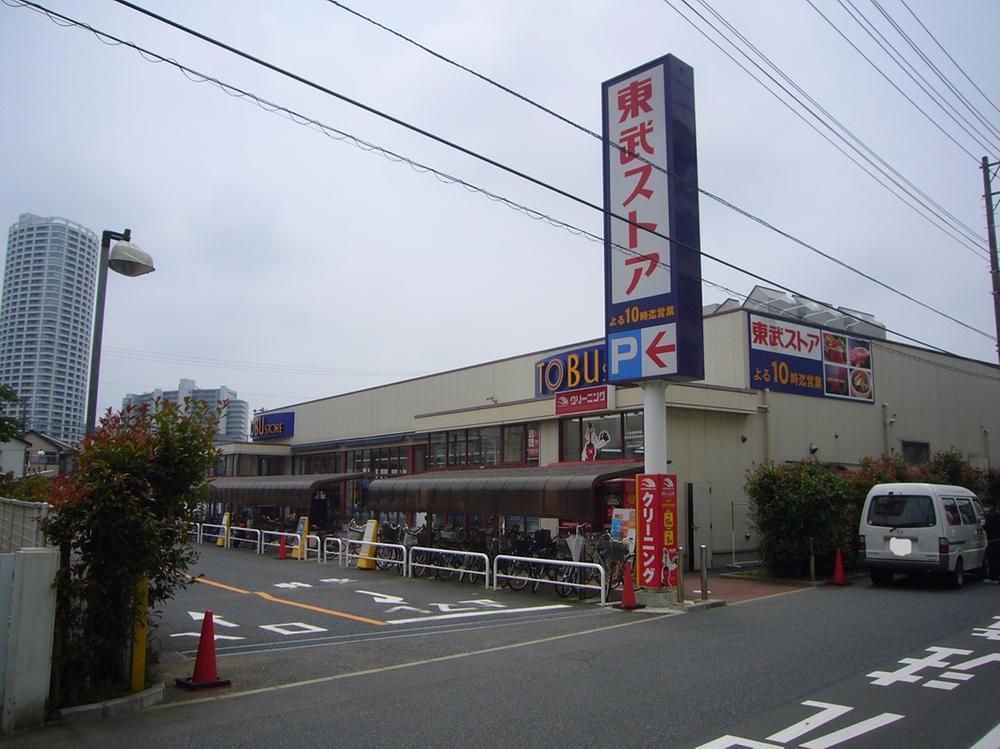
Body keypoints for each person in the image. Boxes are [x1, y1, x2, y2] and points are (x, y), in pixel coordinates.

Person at [984, 501, 1000, 584]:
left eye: (987, 506)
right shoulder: (997, 515)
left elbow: (989, 527)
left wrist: (982, 526)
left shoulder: (990, 516)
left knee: (991, 558)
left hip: (992, 540)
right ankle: (996, 576)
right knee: (997, 558)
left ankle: (993, 577)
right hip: (997, 539)